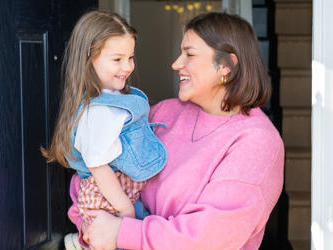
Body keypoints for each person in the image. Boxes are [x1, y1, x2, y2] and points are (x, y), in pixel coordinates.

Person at [69, 12, 285, 250]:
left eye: (189, 54)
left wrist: (123, 232)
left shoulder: (257, 142)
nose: (176, 64)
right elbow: (90, 174)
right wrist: (92, 227)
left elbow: (208, 237)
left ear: (226, 66)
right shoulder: (164, 113)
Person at [41, 10, 167, 249]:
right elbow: (99, 167)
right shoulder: (98, 112)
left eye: (130, 57)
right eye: (117, 59)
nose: (128, 66)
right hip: (109, 199)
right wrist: (126, 210)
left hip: (117, 194)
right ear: (89, 59)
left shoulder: (112, 97)